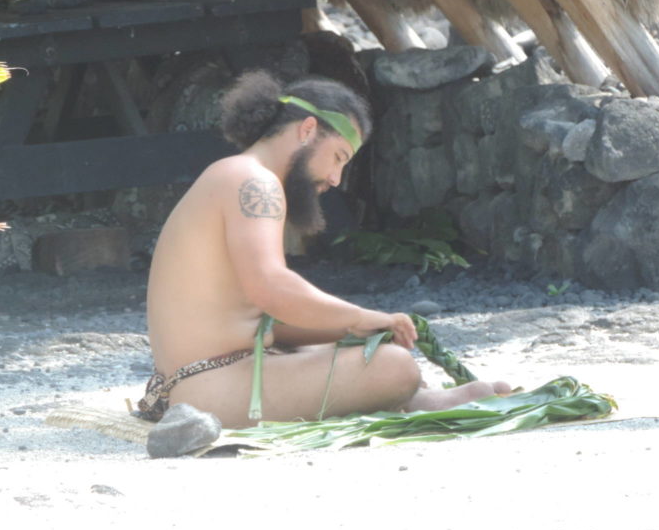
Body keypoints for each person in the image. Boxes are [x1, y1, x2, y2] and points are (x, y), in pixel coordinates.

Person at [140, 70, 509, 428]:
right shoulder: (255, 182)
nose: (335, 179)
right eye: (338, 157)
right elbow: (271, 288)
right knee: (395, 366)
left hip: (206, 380)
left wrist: (352, 331)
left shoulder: (237, 175)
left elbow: (257, 321)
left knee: (360, 350)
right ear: (308, 130)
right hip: (210, 388)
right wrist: (360, 317)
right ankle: (410, 396)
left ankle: (414, 399)